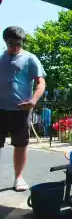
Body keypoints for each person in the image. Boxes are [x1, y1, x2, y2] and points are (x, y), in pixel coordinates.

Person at [0, 26, 46, 191]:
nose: (15, 47)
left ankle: (18, 178)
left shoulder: (30, 58)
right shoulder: (0, 59)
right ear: (6, 42)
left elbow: (41, 83)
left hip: (20, 110)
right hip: (0, 109)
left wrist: (33, 100)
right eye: (12, 44)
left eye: (19, 44)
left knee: (20, 144)